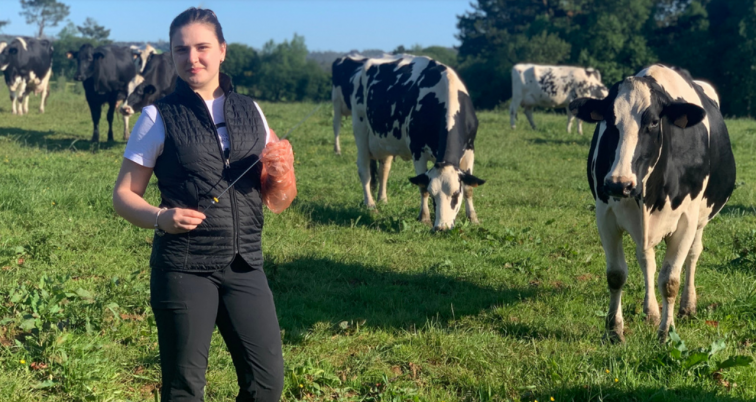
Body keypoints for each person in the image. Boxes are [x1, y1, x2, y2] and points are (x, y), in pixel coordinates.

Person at [112, 8, 284, 402]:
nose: (192, 58)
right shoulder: (157, 116)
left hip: (245, 263)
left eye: (202, 47)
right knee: (185, 388)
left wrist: (282, 173)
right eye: (181, 50)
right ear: (171, 57)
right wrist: (162, 217)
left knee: (267, 385)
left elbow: (276, 196)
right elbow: (123, 196)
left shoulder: (250, 110)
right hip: (184, 266)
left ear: (222, 50)